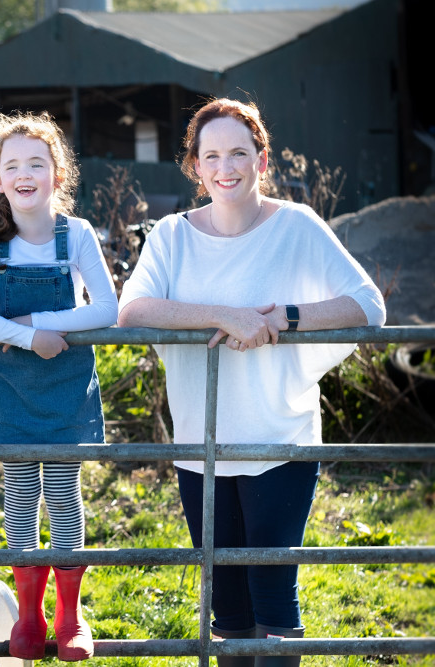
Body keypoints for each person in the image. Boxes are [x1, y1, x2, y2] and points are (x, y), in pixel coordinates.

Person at [118, 98, 386, 667]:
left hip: (279, 439)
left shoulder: (297, 226)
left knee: (272, 600)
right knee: (227, 607)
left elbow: (368, 305)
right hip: (201, 445)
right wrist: (223, 314)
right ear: (194, 165)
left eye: (239, 152)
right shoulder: (170, 235)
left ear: (261, 159)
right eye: (210, 155)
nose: (226, 167)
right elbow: (133, 310)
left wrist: (281, 317)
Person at [0, 111, 118, 662]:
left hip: (66, 382)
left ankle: (71, 618)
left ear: (57, 173)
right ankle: (30, 616)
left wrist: (36, 326)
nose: (25, 174)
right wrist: (28, 341)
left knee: (65, 495)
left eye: (37, 163)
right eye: (12, 166)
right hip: (10, 384)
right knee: (23, 492)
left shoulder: (77, 235)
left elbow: (109, 310)